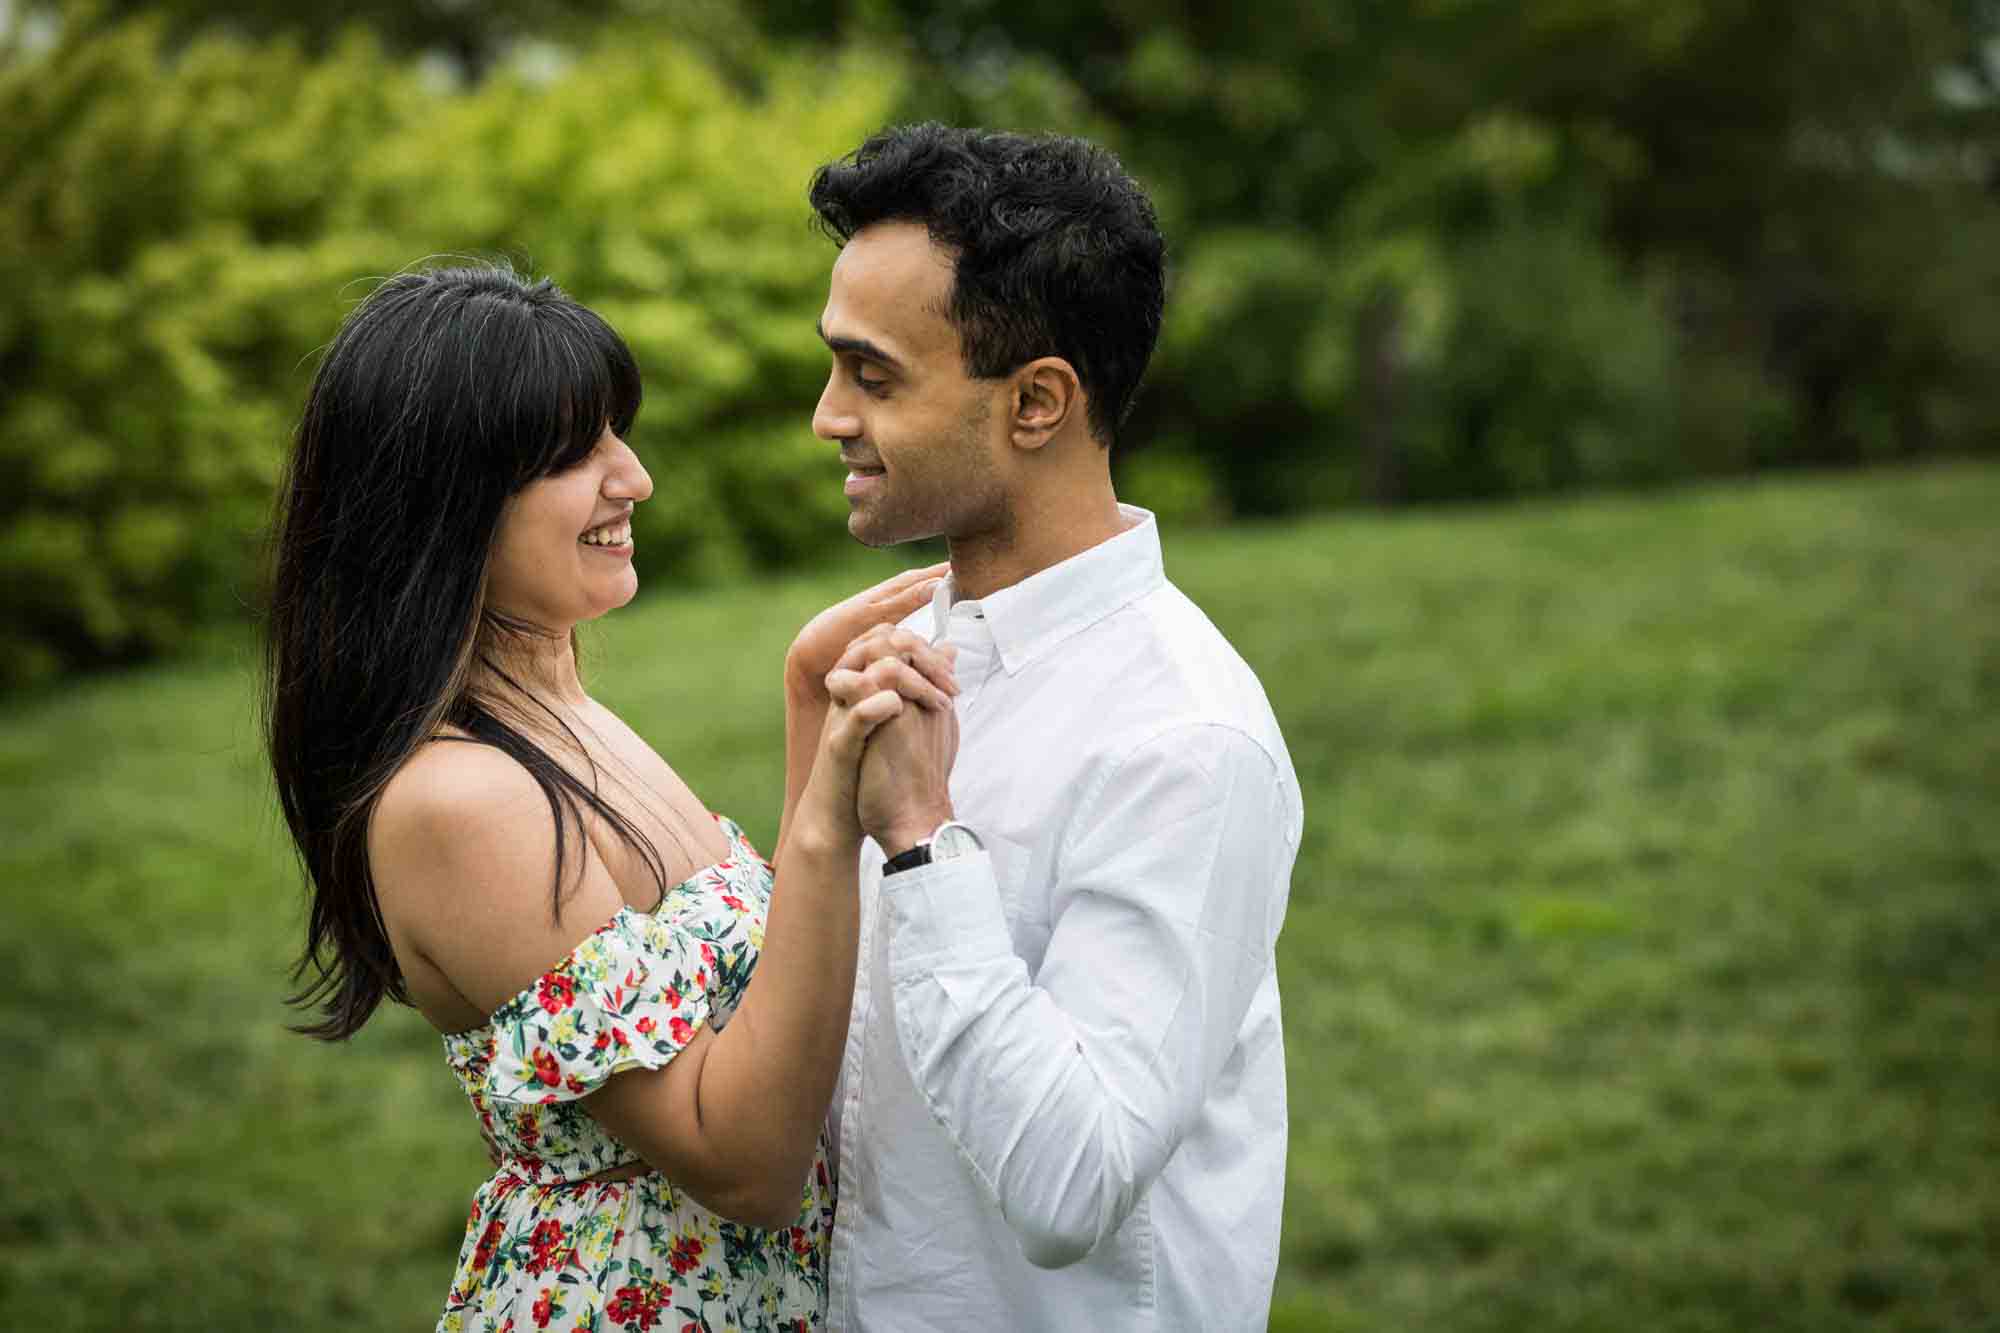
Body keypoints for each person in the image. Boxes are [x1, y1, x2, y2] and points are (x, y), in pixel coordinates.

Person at [263, 262, 958, 1332]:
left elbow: (753, 991)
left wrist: (805, 707)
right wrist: (826, 816)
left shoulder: (559, 714)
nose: (631, 478)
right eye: (573, 454)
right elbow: (745, 1164)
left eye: (617, 435)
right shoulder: (461, 801)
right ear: (443, 499)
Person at [804, 125, 1305, 1330]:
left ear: (1036, 402)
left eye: (873, 378)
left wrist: (923, 846)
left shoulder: (1184, 737)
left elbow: (1071, 1180)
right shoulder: (897, 652)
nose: (826, 416)